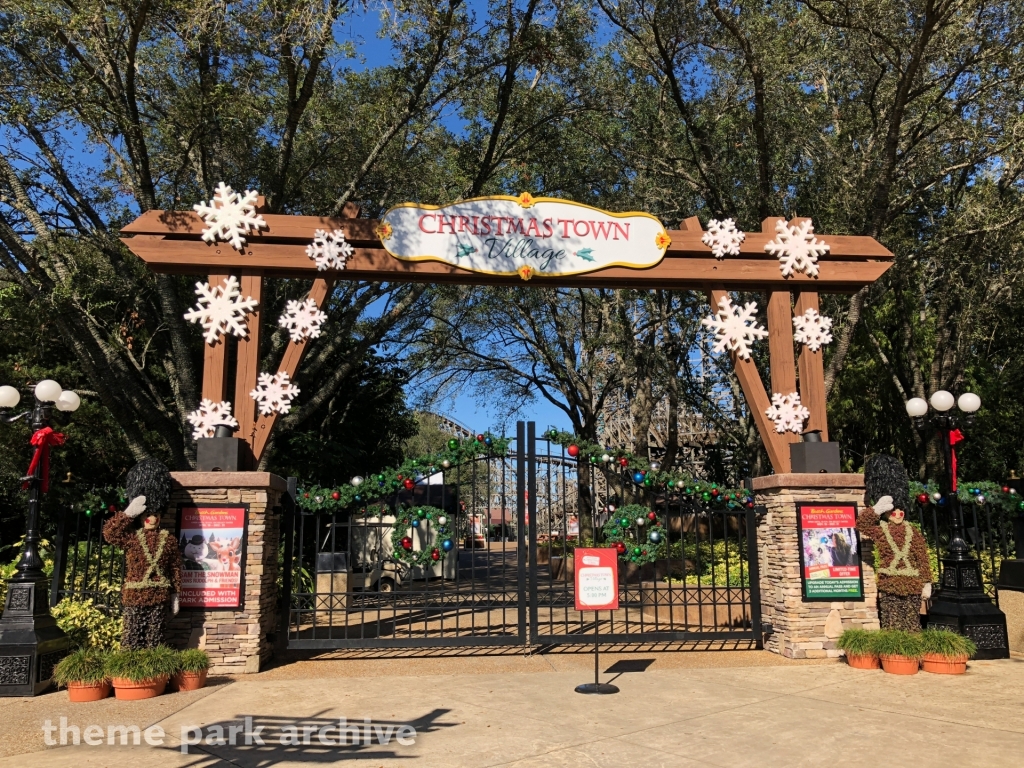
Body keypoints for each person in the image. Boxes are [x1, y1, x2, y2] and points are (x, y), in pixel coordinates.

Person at [103, 459, 181, 649]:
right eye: (148, 515)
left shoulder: (168, 540)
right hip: (135, 593)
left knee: (156, 636)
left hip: (159, 593)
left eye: (156, 514)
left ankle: (153, 672)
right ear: (141, 516)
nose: (152, 518)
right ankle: (131, 671)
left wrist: (175, 594)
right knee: (133, 635)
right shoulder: (132, 538)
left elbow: (175, 568)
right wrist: (127, 514)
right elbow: (110, 534)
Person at [857, 455, 932, 631]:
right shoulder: (881, 530)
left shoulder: (913, 532)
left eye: (901, 511)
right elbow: (861, 524)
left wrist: (927, 582)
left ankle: (910, 655)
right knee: (891, 621)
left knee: (911, 623)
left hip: (912, 583)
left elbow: (922, 558)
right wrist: (876, 510)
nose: (897, 515)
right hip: (889, 582)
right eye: (893, 512)